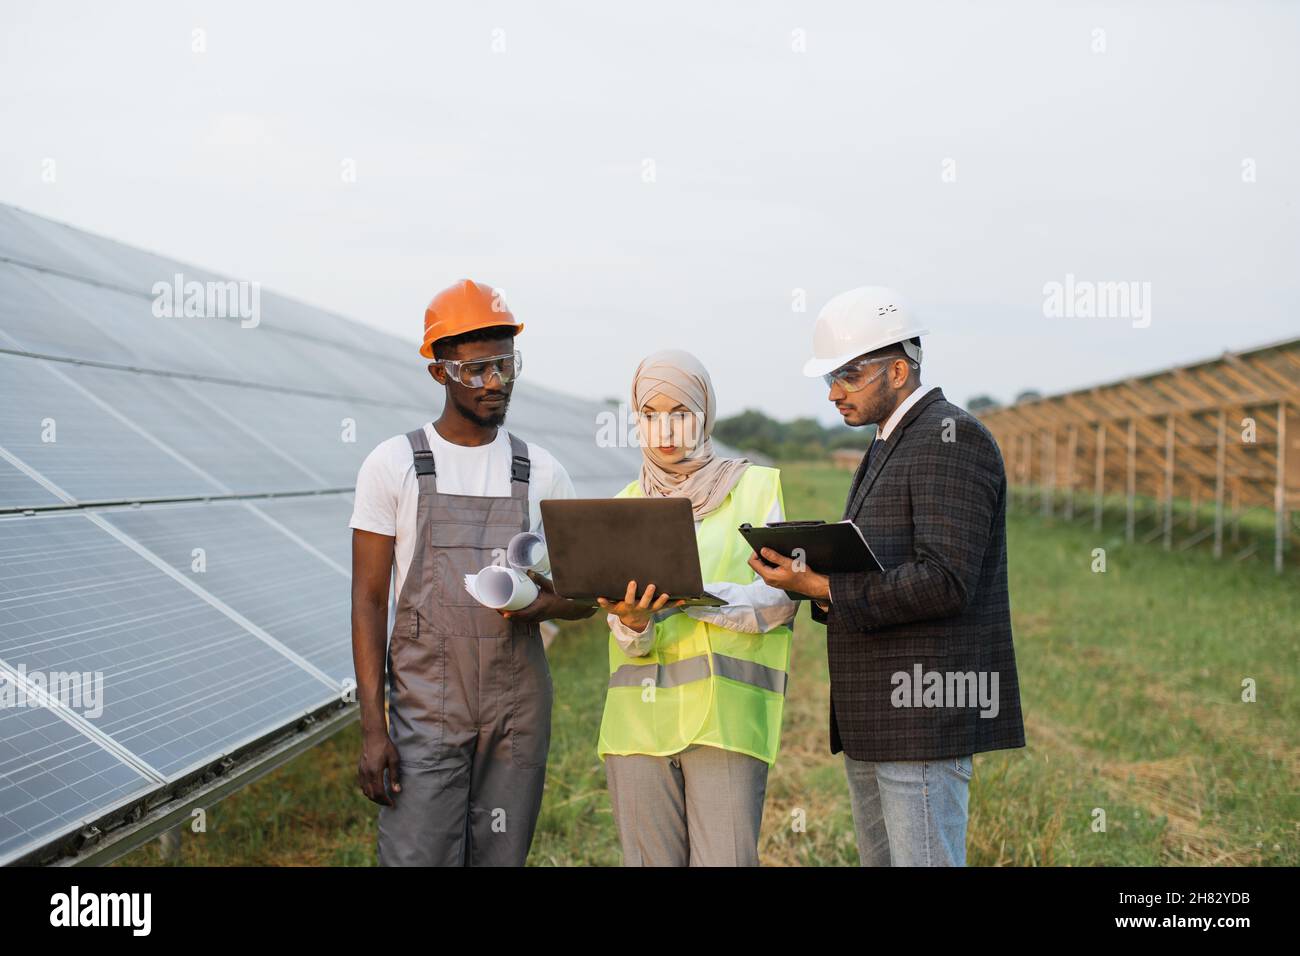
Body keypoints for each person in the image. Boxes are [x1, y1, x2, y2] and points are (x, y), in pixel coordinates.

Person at [751, 286, 1025, 867]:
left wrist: (823, 589)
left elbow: (946, 580)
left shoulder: (950, 437)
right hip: (879, 715)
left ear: (898, 369)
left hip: (922, 715)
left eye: (847, 375)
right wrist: (818, 578)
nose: (833, 393)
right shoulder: (887, 443)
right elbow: (885, 562)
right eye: (830, 378)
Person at [349, 278, 595, 866]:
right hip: (426, 708)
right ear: (439, 372)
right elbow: (368, 599)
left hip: (517, 709)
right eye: (476, 369)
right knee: (417, 856)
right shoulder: (393, 465)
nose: (495, 383)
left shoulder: (541, 471)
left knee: (500, 857)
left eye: (506, 366)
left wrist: (544, 605)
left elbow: (585, 593)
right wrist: (372, 727)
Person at [595, 349, 797, 867]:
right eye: (650, 415)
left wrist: (698, 596)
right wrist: (633, 622)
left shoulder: (755, 488)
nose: (666, 430)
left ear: (704, 413)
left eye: (680, 413)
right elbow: (627, 636)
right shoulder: (622, 505)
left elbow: (780, 602)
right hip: (636, 726)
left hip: (726, 724)